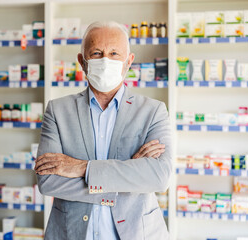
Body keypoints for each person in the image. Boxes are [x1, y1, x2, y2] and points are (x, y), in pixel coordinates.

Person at [34, 21, 172, 240]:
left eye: (114, 53)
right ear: (82, 61)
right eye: (97, 53)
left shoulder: (153, 111)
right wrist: (128, 175)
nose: (106, 61)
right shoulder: (58, 110)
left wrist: (81, 168)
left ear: (129, 61)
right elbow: (48, 181)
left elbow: (159, 177)